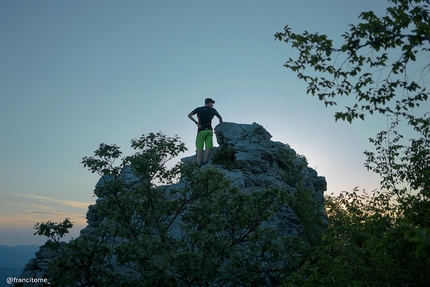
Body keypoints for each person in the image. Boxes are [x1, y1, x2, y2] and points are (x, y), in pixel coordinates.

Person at [188, 98, 223, 167]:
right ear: (209, 103)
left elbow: (189, 115)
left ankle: (199, 163)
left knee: (199, 148)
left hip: (201, 130)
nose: (212, 105)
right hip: (209, 130)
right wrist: (221, 125)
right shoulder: (213, 110)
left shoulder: (198, 109)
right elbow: (220, 118)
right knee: (208, 147)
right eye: (212, 103)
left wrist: (196, 123)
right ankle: (205, 161)